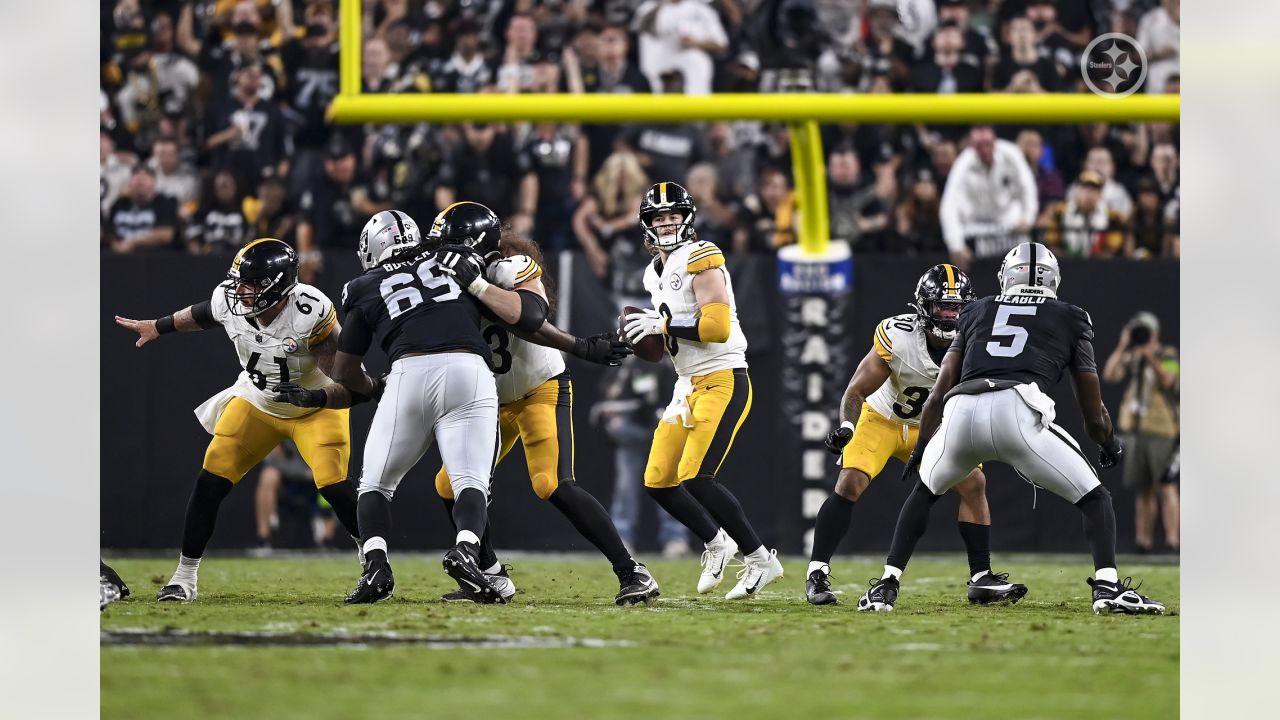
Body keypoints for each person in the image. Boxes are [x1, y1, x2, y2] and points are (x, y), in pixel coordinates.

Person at [857, 242, 1165, 615]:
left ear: (1006, 276)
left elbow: (938, 393)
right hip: (1017, 408)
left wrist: (923, 448)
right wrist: (1109, 443)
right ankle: (1107, 587)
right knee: (1096, 498)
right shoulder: (1071, 316)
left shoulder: (978, 309)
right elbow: (1093, 412)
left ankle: (886, 586)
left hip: (960, 410)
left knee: (924, 492)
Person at [272, 208, 501, 604]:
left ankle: (376, 567)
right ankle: (465, 550)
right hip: (471, 367)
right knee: (470, 481)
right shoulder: (451, 260)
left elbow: (344, 370)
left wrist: (372, 387)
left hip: (408, 372)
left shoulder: (362, 286)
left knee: (375, 484)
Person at [114, 239, 363, 602]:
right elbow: (201, 314)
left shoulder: (310, 311)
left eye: (250, 283)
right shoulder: (230, 300)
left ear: (277, 285)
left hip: (314, 407)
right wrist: (159, 325)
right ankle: (184, 577)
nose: (239, 291)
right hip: (259, 401)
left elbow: (344, 378)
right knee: (211, 478)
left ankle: (373, 563)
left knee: (334, 486)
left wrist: (339, 392)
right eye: (238, 282)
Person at [431, 222, 660, 606]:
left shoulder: (508, 267)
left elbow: (530, 319)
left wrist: (581, 347)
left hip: (539, 386)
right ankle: (491, 575)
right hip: (490, 400)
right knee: (447, 485)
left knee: (551, 483)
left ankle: (632, 571)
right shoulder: (437, 281)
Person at [809, 265, 1027, 607]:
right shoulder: (899, 335)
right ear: (925, 306)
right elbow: (855, 391)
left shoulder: (977, 339)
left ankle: (981, 576)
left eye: (957, 308)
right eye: (943, 307)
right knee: (850, 482)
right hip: (883, 419)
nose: (951, 315)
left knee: (974, 484)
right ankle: (817, 572)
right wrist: (848, 427)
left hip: (935, 428)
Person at [623, 182, 784, 599]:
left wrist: (659, 326)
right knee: (658, 480)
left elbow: (716, 328)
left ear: (688, 219)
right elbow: (668, 343)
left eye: (674, 215)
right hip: (687, 383)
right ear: (647, 224)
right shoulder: (652, 272)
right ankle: (717, 543)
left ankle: (761, 559)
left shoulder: (702, 256)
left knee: (696, 477)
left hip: (723, 376)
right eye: (659, 217)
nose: (667, 223)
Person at [1102, 311, 1179, 553]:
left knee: (1165, 486)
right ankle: (1143, 542)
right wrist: (1123, 345)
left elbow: (1168, 380)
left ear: (1155, 333)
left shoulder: (1168, 354)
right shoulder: (1132, 356)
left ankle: (1173, 541)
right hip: (1135, 430)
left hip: (1161, 429)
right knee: (1143, 488)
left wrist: (1151, 357)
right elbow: (1110, 374)